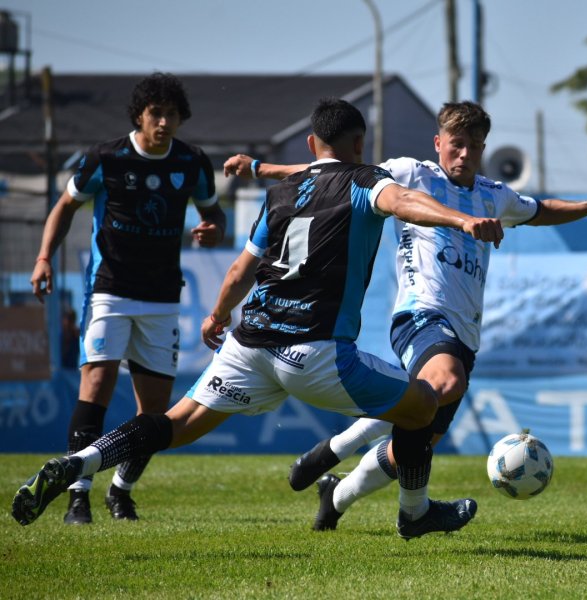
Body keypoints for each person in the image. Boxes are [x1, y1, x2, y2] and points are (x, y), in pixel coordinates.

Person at [12, 97, 503, 540]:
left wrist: (217, 315)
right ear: (360, 145)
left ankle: (78, 462)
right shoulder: (366, 181)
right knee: (423, 405)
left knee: (174, 423)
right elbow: (406, 202)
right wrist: (462, 219)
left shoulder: (282, 193)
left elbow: (240, 270)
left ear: (311, 144)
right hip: (315, 352)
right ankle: (414, 513)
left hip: (249, 343)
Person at [223, 100, 587, 532]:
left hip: (464, 335)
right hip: (420, 315)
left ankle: (335, 497)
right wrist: (260, 169)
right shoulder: (410, 173)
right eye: (456, 144)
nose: (464, 154)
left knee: (413, 443)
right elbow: (330, 171)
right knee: (444, 383)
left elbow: (541, 211)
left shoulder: (493, 194)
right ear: (438, 143)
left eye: (474, 146)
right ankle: (345, 455)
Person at [28, 72, 226, 525]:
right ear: (139, 115)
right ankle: (78, 496)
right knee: (96, 384)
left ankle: (121, 490)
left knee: (153, 412)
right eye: (156, 113)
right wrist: (43, 258)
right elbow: (65, 206)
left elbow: (213, 211)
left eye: (172, 114)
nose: (164, 122)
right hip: (110, 291)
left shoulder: (193, 161)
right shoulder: (106, 157)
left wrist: (215, 228)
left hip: (162, 297)